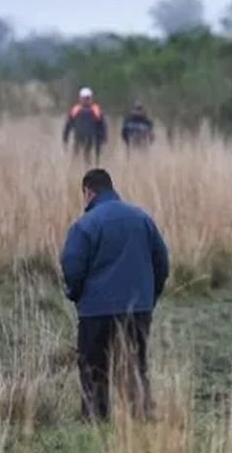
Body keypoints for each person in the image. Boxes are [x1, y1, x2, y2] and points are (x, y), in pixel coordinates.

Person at [60, 169, 170, 421]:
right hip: (138, 311)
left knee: (94, 371)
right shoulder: (142, 218)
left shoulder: (85, 225)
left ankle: (95, 425)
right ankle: (141, 422)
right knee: (135, 368)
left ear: (88, 192)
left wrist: (76, 295)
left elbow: (72, 266)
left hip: (96, 312)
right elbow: (162, 263)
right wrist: (148, 300)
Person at [63, 87, 107, 163]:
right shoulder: (75, 110)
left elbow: (102, 126)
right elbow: (68, 125)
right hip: (78, 138)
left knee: (90, 160)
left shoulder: (96, 110)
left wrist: (103, 138)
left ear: (91, 98)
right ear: (80, 98)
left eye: (87, 98)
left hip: (92, 140)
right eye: (84, 98)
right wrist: (65, 137)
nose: (85, 100)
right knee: (76, 159)